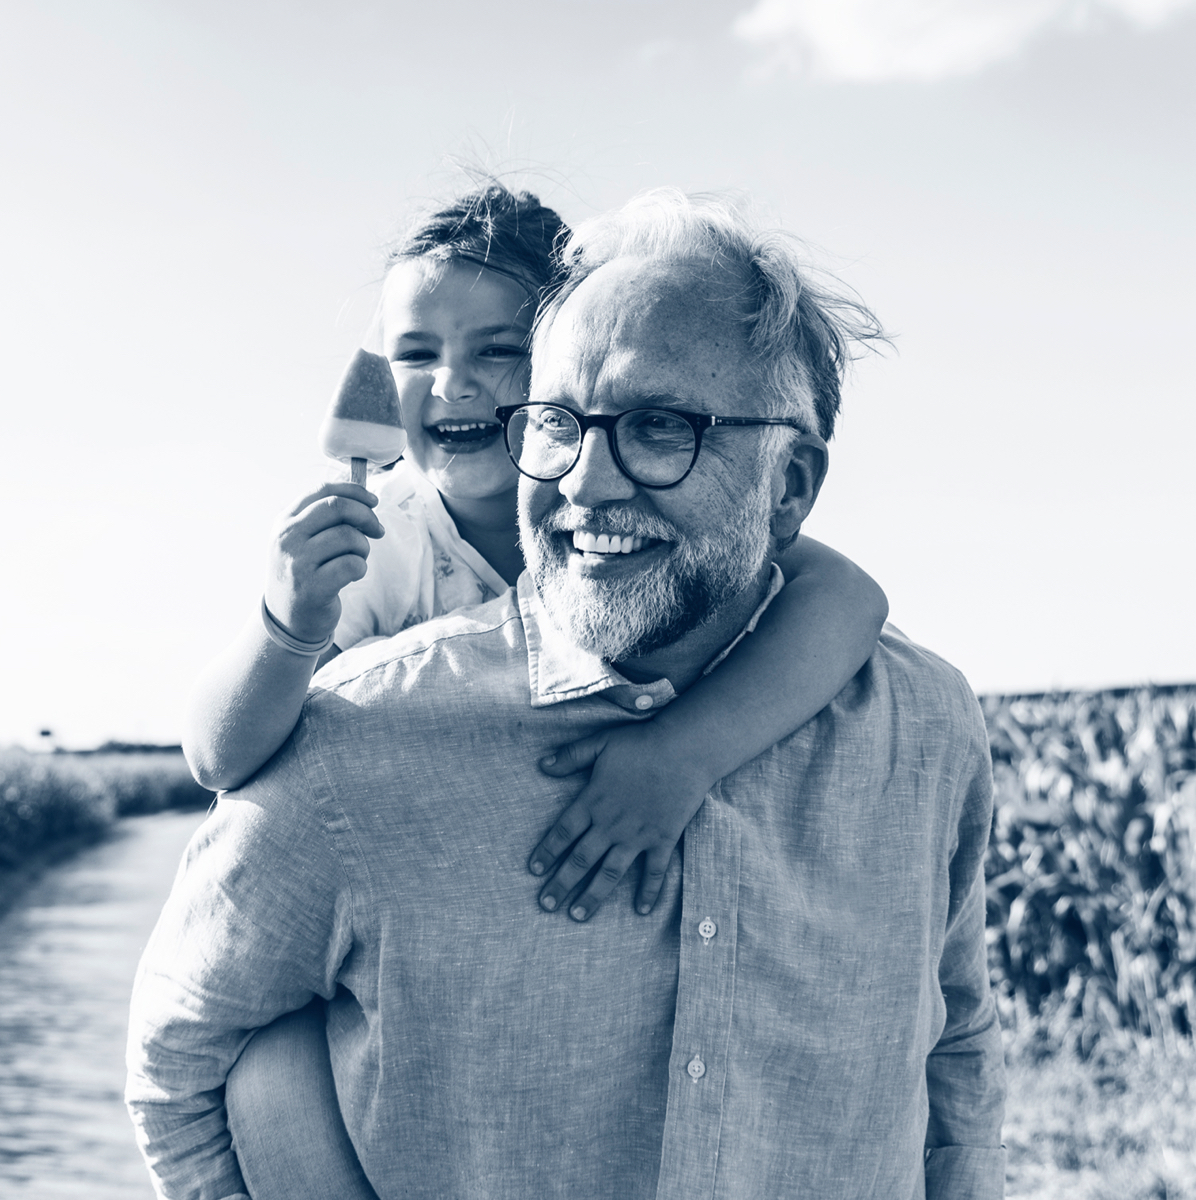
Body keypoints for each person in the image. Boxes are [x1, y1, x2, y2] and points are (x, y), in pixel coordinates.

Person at [127, 190, 1006, 1200]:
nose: (588, 482)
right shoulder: (361, 701)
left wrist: (684, 752)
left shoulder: (923, 726)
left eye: (660, 426)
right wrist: (287, 624)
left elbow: (956, 1045)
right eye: (560, 422)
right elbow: (183, 1052)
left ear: (792, 484)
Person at [181, 183, 888, 923]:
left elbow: (850, 599)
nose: (452, 383)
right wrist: (285, 625)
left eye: (497, 349)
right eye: (415, 353)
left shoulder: (636, 522)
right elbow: (217, 758)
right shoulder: (379, 540)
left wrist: (685, 753)